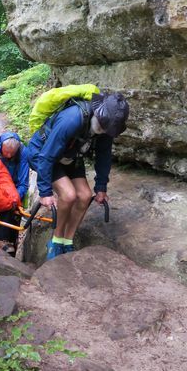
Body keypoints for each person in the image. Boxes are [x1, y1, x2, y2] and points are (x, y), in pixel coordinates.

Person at [27, 92, 130, 260]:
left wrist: (101, 187)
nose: (106, 129)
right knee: (68, 195)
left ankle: (67, 241)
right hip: (43, 153)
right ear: (99, 113)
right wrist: (45, 192)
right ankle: (55, 242)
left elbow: (104, 156)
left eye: (110, 127)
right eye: (105, 125)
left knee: (85, 196)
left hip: (70, 156)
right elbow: (46, 156)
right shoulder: (72, 119)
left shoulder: (107, 128)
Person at [0, 132, 30, 202]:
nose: (9, 155)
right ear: (1, 145)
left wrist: (15, 197)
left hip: (13, 187)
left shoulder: (23, 152)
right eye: (6, 152)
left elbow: (23, 183)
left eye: (12, 153)